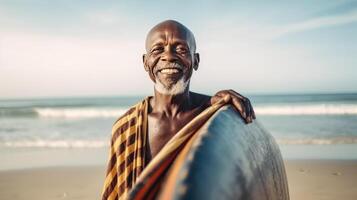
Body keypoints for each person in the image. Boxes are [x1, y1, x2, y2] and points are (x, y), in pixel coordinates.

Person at [102, 20, 255, 200]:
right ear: (145, 62)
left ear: (195, 60)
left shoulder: (216, 115)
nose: (168, 57)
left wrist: (225, 110)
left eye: (181, 49)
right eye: (158, 49)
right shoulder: (126, 128)